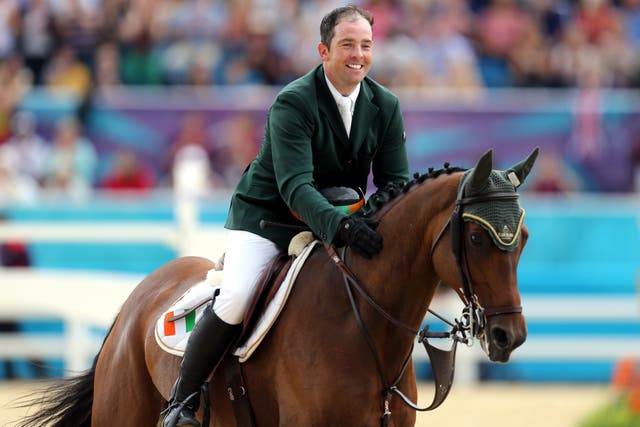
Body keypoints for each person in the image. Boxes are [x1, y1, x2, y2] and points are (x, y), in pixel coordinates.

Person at [160, 5, 409, 426]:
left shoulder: (384, 104)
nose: (358, 54)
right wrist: (343, 226)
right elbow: (295, 186)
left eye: (366, 45)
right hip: (269, 218)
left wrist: (368, 221)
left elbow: (395, 183)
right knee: (237, 297)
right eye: (347, 44)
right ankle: (181, 403)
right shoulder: (293, 101)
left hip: (341, 220)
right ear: (323, 51)